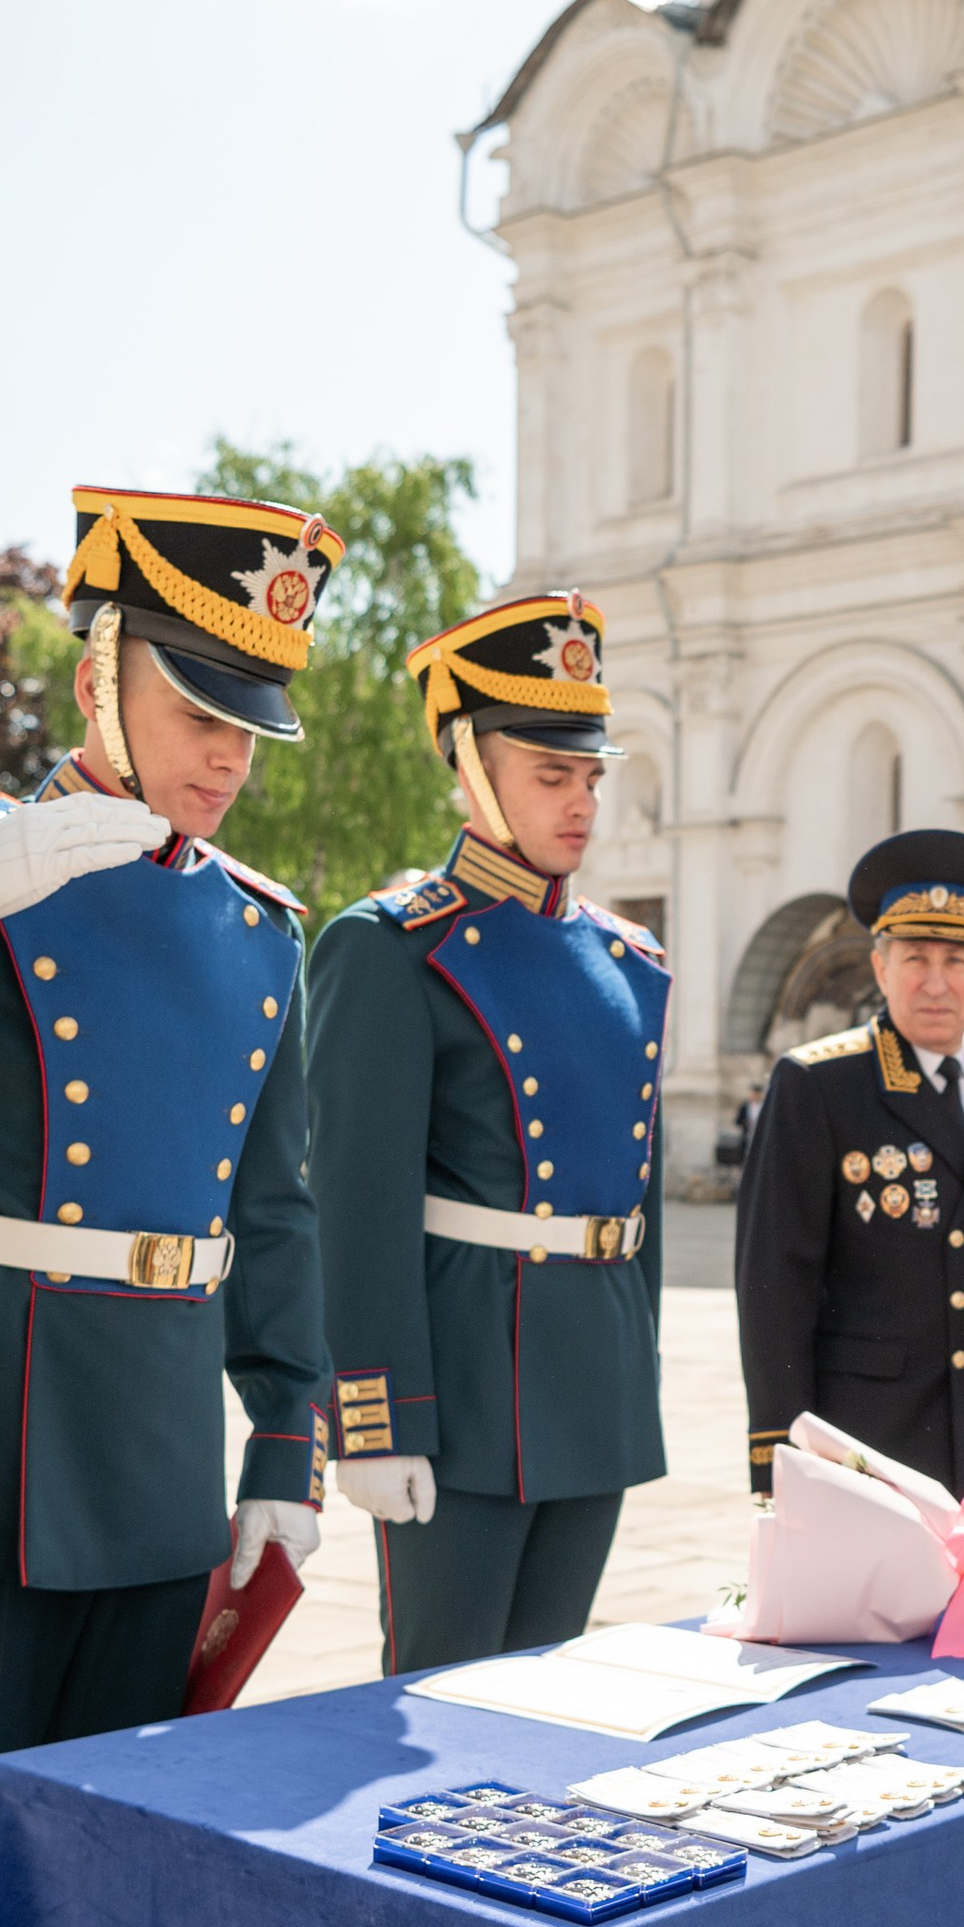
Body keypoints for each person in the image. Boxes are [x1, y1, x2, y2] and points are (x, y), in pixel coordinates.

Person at [0, 482, 332, 1927]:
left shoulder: (261, 929)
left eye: (249, 728)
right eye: (198, 712)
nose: (227, 757)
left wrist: (282, 1441)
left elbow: (274, 1209)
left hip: (151, 1452)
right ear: (99, 678)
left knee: (111, 1859)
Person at [304, 594, 669, 1676]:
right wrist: (376, 1421)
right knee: (440, 1694)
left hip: (593, 1379)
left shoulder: (629, 960)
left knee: (548, 1696)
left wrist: (635, 1378)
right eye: (552, 775)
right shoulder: (394, 947)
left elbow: (635, 1200)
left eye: (591, 776)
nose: (581, 802)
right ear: (471, 767)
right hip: (466, 1388)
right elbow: (357, 1206)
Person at [734, 829, 964, 1502]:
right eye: (915, 958)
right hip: (868, 1444)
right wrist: (780, 1453)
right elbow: (775, 1282)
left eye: (958, 960)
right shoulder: (818, 1084)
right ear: (880, 967)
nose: (936, 983)